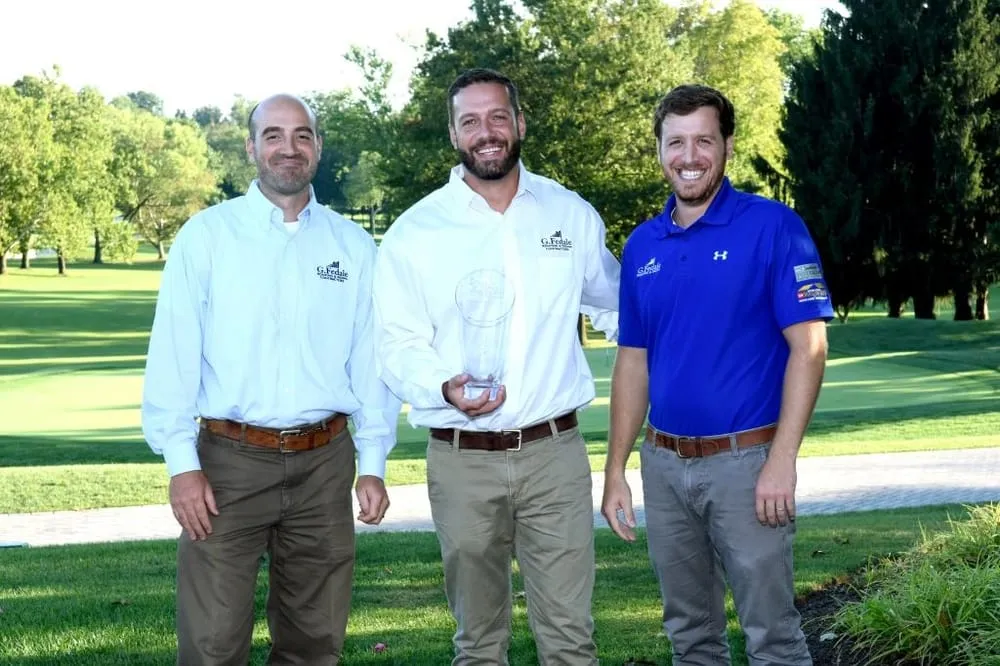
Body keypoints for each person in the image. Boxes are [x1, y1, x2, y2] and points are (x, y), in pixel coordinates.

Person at [372, 68, 620, 665]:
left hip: (554, 456)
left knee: (570, 639)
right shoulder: (415, 232)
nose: (486, 132)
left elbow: (617, 307)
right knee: (479, 644)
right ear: (453, 134)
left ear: (520, 123)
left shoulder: (569, 214)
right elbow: (396, 344)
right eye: (470, 121)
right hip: (462, 460)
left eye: (497, 117)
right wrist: (442, 386)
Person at [141, 93, 399, 665]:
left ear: (318, 147)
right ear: (251, 147)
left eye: (302, 135)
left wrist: (374, 462)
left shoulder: (353, 246)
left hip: (325, 463)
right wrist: (181, 465)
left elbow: (371, 365)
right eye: (274, 135)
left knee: (315, 641)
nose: (289, 147)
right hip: (228, 464)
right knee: (212, 643)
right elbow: (174, 354)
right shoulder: (207, 236)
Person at [601, 84, 832, 666]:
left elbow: (809, 349)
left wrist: (782, 460)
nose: (689, 156)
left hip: (747, 465)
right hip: (663, 466)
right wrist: (615, 470)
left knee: (772, 637)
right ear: (659, 151)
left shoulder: (774, 227)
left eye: (704, 141)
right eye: (675, 142)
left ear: (727, 146)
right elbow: (633, 362)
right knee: (690, 637)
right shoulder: (642, 246)